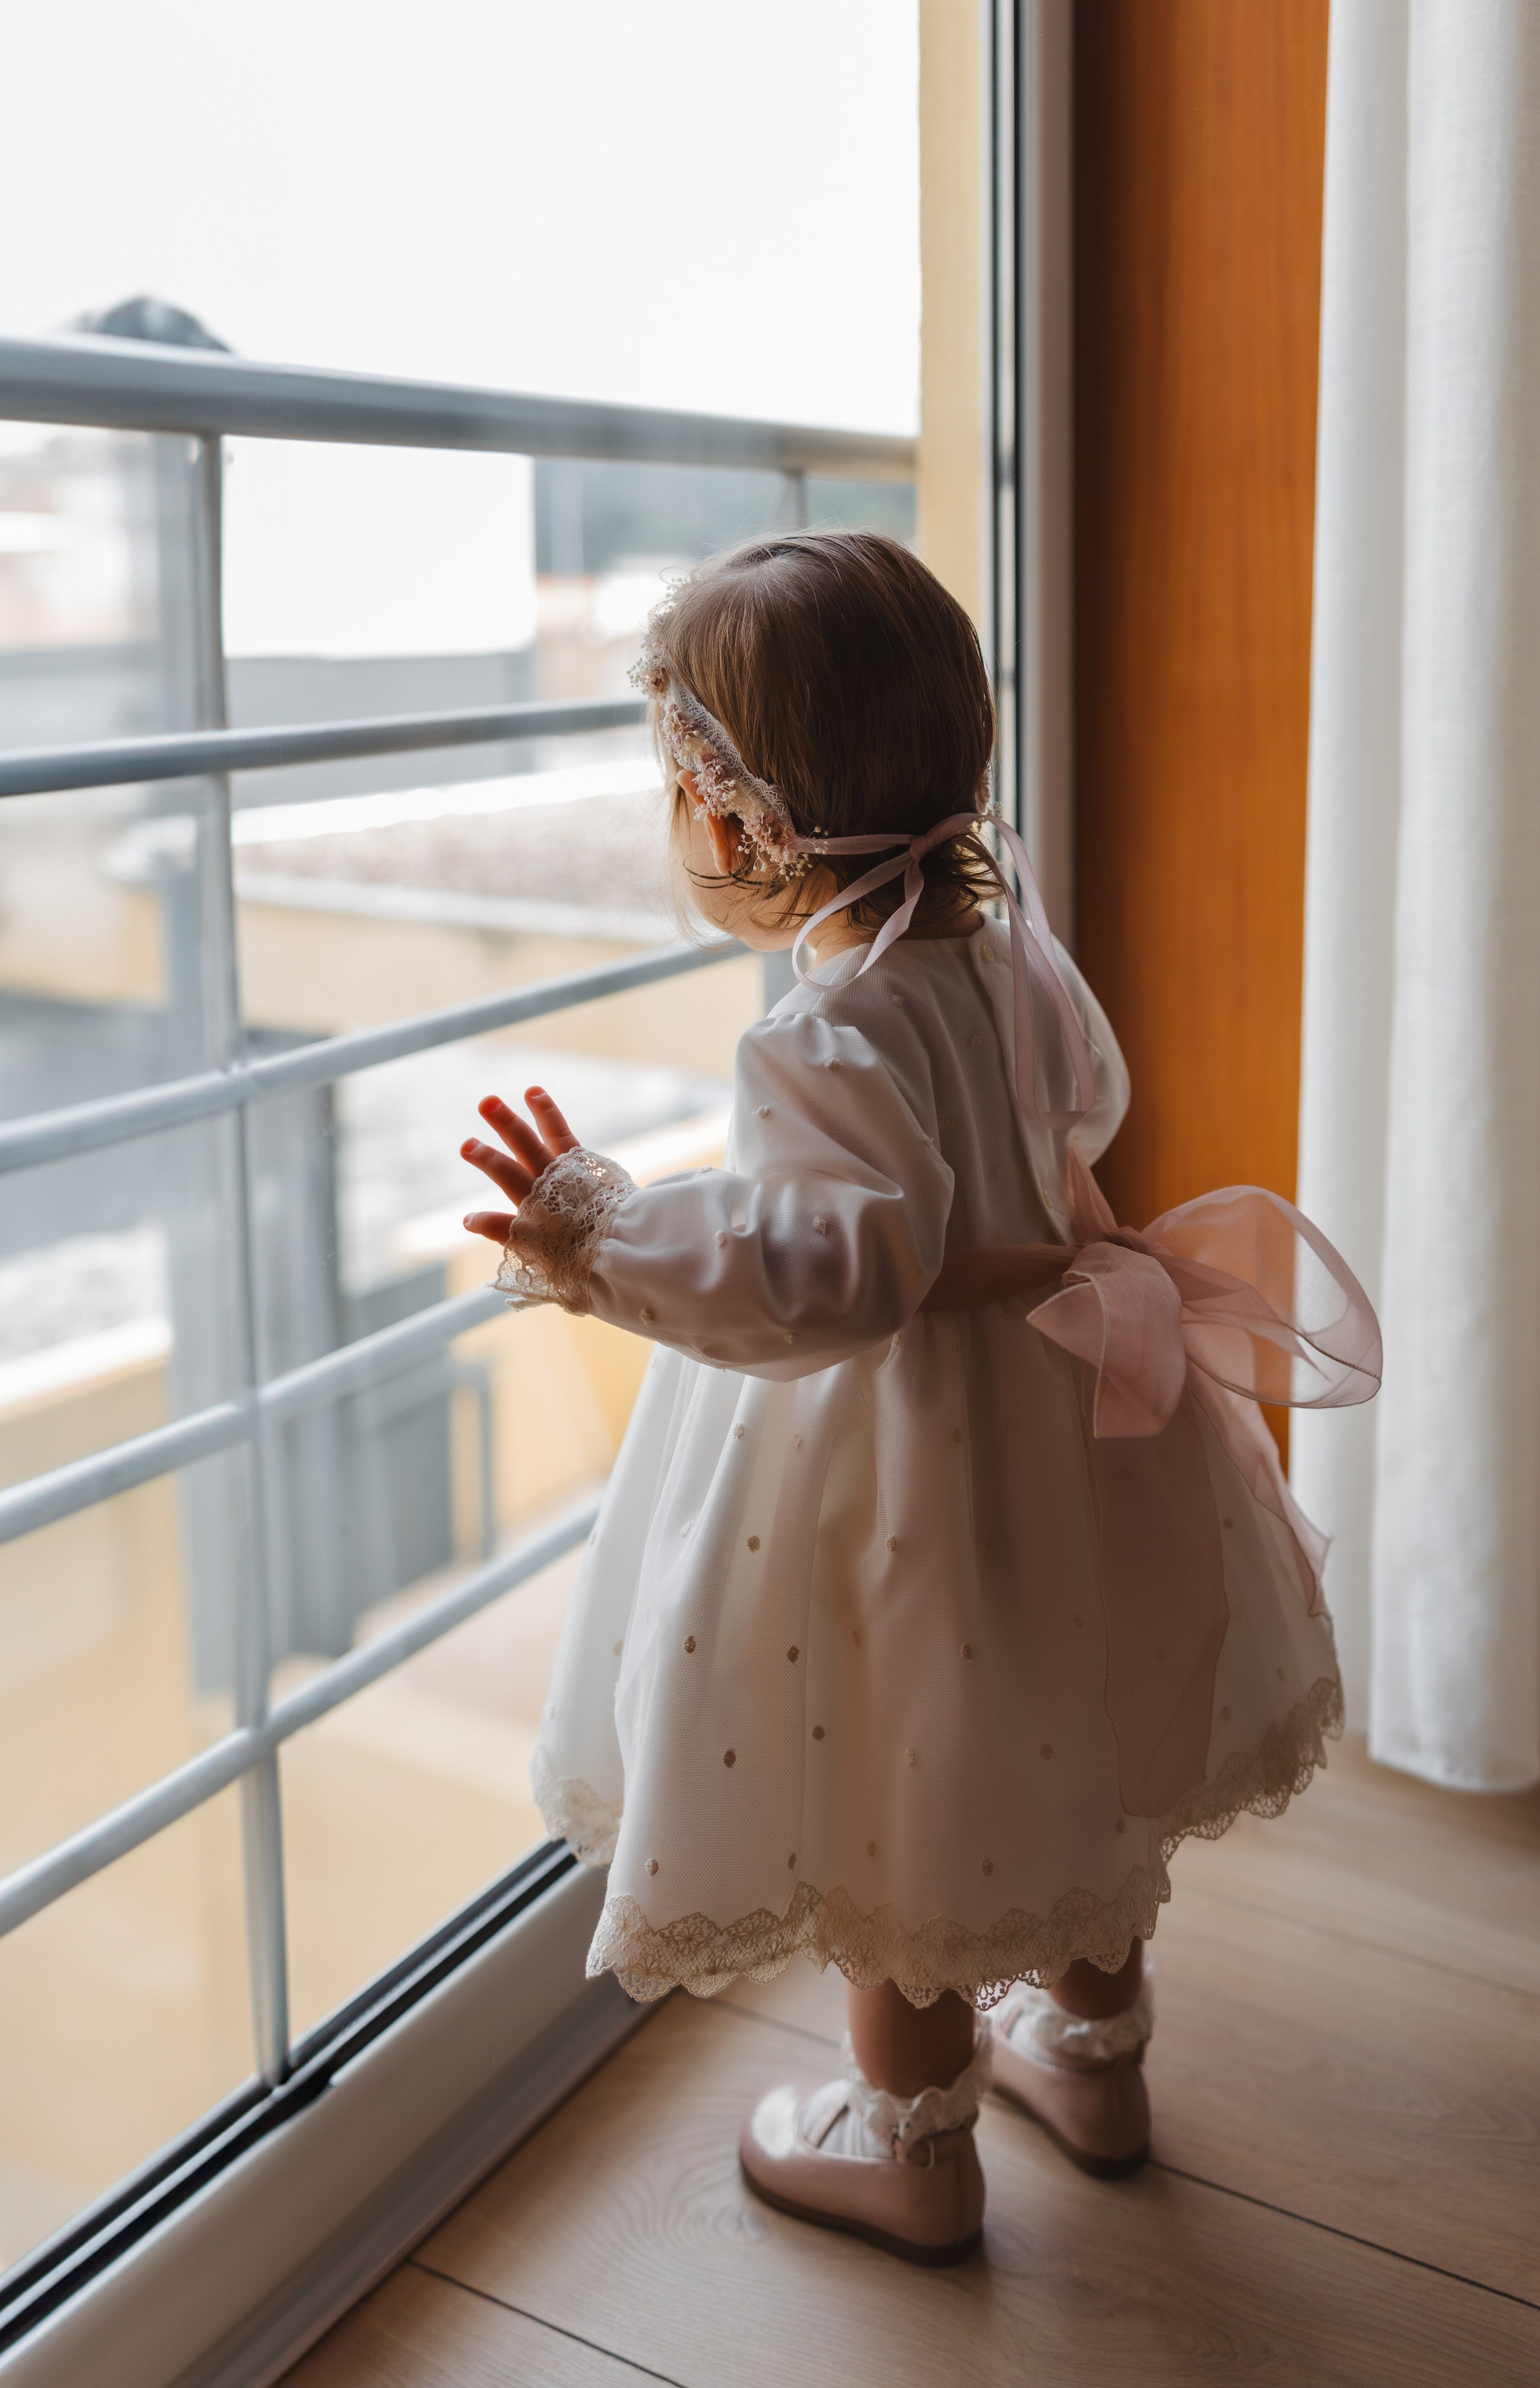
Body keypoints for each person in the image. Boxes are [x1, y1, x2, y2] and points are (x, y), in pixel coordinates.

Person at [460, 531, 1380, 2266]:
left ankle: (912, 2149)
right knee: (1077, 1731)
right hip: (1080, 1410)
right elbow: (1074, 1119)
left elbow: (833, 1274)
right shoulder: (1004, 945)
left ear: (736, 822)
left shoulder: (825, 1034)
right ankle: (1097, 2058)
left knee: (906, 1787)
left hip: (910, 1465)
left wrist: (605, 1235)